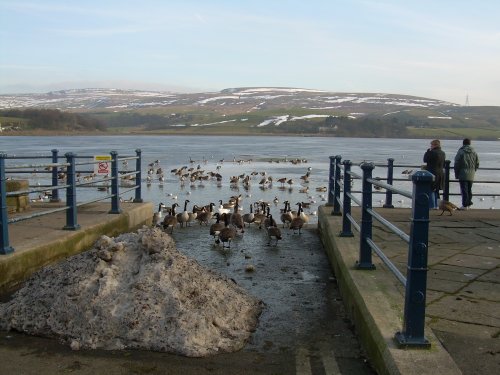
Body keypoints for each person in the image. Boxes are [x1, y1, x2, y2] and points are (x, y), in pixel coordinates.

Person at [454, 138, 479, 210]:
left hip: (462, 172)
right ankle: (468, 204)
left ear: (463, 143)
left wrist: (457, 172)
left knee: (463, 189)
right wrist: (474, 170)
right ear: (470, 143)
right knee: (469, 189)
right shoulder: (474, 152)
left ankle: (464, 205)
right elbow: (477, 163)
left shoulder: (461, 151)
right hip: (471, 173)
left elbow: (457, 162)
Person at [423, 139, 446, 208]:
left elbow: (425, 159)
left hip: (432, 173)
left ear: (435, 145)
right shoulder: (443, 153)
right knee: (436, 190)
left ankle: (432, 206)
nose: (431, 146)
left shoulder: (432, 152)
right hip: (440, 173)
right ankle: (436, 205)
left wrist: (427, 152)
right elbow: (443, 163)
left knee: (431, 189)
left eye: (431, 145)